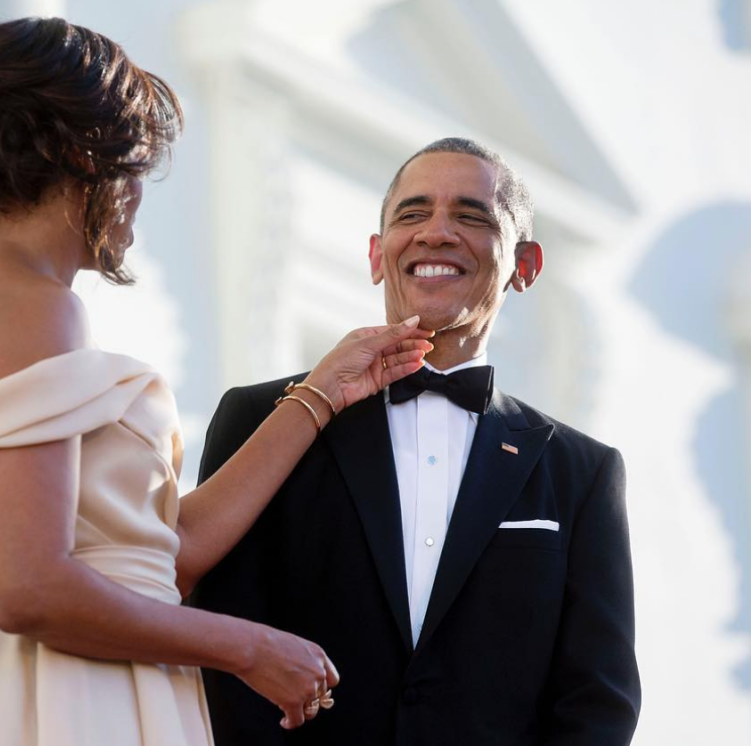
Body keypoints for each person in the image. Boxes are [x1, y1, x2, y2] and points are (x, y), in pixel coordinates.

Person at [0, 17, 436, 746]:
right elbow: (28, 589)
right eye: (137, 165)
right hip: (53, 701)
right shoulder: (31, 305)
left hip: (64, 687)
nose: (140, 195)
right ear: (87, 156)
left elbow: (162, 554)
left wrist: (324, 392)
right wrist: (248, 648)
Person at [192, 138, 641, 745]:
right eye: (412, 213)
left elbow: (598, 701)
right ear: (378, 255)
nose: (435, 232)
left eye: (471, 216)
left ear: (525, 266)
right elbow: (217, 637)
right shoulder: (260, 417)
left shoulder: (582, 471)